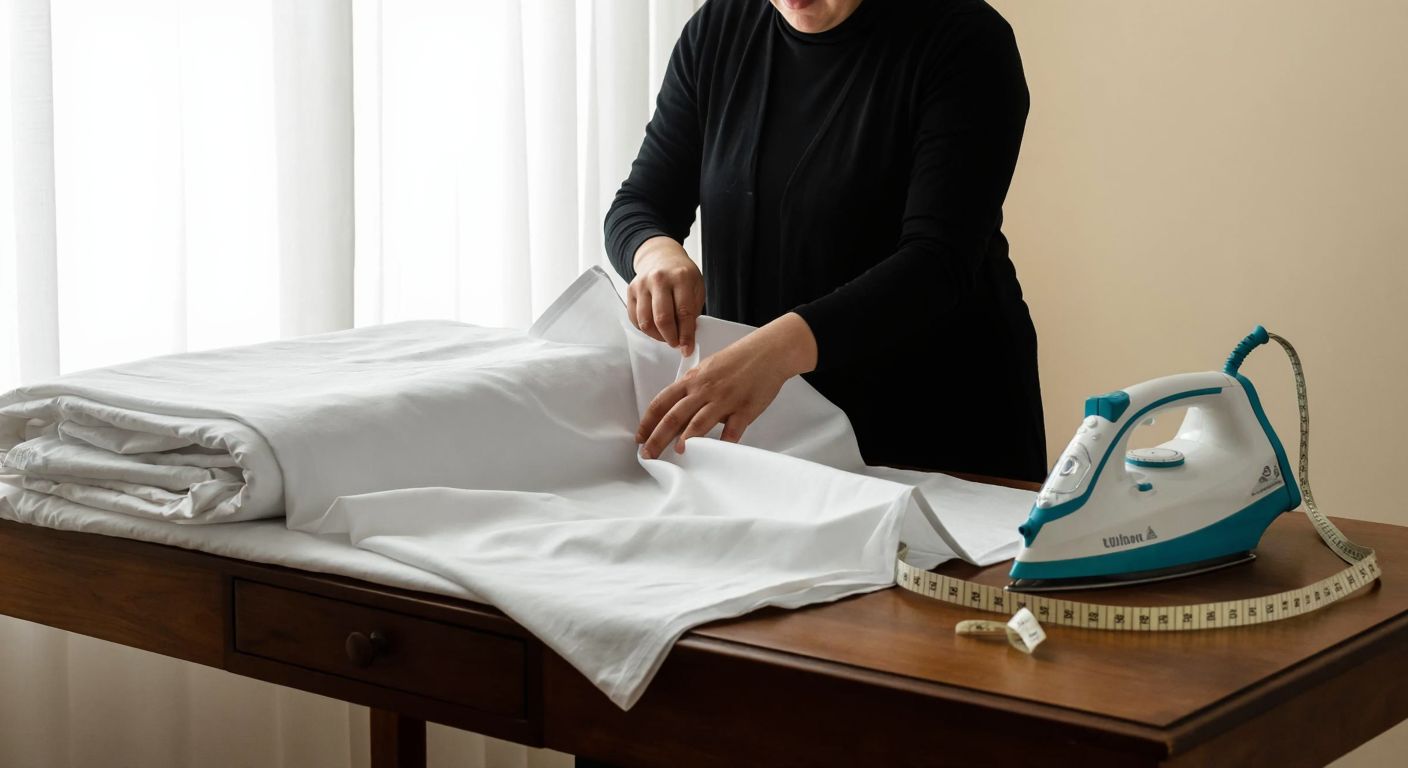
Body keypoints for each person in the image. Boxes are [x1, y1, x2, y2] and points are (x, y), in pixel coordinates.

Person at [604, 0, 1046, 484]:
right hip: (774, 428)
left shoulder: (967, 39)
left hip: (938, 424)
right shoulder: (719, 29)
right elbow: (641, 202)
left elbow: (937, 262)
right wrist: (656, 253)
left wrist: (771, 354)